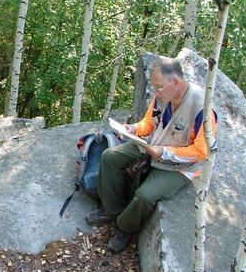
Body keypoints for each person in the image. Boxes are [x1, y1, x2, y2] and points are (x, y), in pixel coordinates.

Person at [86, 57, 217, 253]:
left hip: (180, 166)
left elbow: (201, 151)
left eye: (159, 88)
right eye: (155, 88)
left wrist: (164, 152)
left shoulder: (202, 108)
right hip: (152, 146)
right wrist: (133, 129)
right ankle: (111, 210)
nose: (156, 92)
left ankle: (124, 227)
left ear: (176, 82)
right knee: (109, 157)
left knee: (144, 196)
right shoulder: (163, 95)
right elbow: (149, 123)